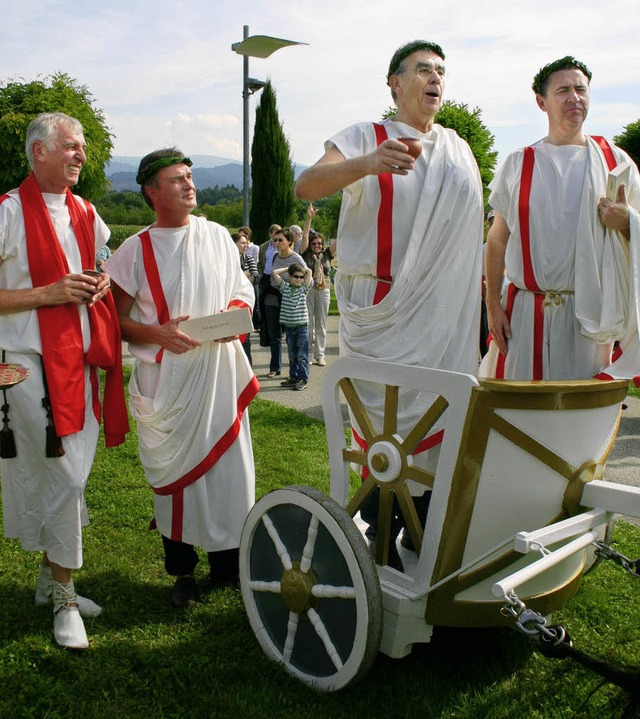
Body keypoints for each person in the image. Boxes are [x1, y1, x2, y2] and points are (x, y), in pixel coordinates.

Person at [295, 40, 484, 570]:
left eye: (441, 71)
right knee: (386, 434)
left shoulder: (458, 149)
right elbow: (305, 184)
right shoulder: (364, 136)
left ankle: (421, 531)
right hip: (383, 311)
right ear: (394, 84)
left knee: (437, 427)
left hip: (444, 314)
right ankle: (381, 535)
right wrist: (367, 163)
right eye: (423, 69)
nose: (435, 79)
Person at [104, 147, 258, 607]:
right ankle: (183, 572)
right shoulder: (135, 250)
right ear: (152, 192)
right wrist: (157, 333)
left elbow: (240, 289)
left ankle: (228, 566)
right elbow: (115, 318)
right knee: (176, 480)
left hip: (217, 372)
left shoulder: (215, 236)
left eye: (190, 176)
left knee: (229, 474)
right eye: (177, 179)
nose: (189, 184)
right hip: (167, 382)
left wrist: (233, 313)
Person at [0, 112, 128, 649]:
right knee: (64, 478)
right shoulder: (7, 212)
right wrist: (46, 295)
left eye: (82, 148)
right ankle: (66, 596)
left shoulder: (88, 213)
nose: (81, 155)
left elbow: (100, 268)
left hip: (77, 363)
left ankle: (48, 578)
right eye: (71, 147)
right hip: (27, 363)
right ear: (38, 152)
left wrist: (98, 286)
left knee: (68, 476)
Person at [481, 56, 640, 381]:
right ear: (542, 101)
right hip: (524, 317)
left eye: (581, 89)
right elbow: (497, 240)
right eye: (563, 90)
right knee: (517, 418)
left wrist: (626, 222)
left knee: (578, 421)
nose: (574, 98)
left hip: (589, 322)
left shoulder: (616, 163)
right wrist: (492, 304)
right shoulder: (519, 164)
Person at [262, 227, 307, 378]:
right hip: (273, 298)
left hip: (289, 300)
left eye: (281, 240)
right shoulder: (274, 256)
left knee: (292, 337)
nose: (277, 243)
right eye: (275, 240)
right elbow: (270, 275)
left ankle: (295, 372)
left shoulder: (296, 258)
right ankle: (275, 367)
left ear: (289, 241)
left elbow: (306, 277)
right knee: (274, 335)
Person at [301, 203, 336, 366]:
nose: (316, 246)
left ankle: (320, 354)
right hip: (308, 289)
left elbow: (340, 239)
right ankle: (307, 354)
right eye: (314, 244)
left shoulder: (327, 254)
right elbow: (305, 235)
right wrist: (309, 218)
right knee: (308, 322)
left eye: (319, 244)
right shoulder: (306, 253)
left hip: (324, 289)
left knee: (321, 323)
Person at [272, 262, 313, 390]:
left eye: (301, 277)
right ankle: (294, 377)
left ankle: (303, 379)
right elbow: (274, 273)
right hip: (289, 328)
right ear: (290, 276)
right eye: (296, 276)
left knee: (302, 355)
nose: (299, 279)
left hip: (301, 327)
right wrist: (287, 268)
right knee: (292, 355)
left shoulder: (304, 289)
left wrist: (304, 270)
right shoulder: (285, 288)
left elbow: (310, 271)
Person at [232, 232, 257, 364]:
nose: (246, 245)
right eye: (242, 243)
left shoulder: (249, 259)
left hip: (244, 302)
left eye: (246, 242)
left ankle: (247, 368)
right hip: (229, 301)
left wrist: (242, 278)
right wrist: (244, 274)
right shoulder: (226, 260)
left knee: (245, 338)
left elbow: (255, 277)